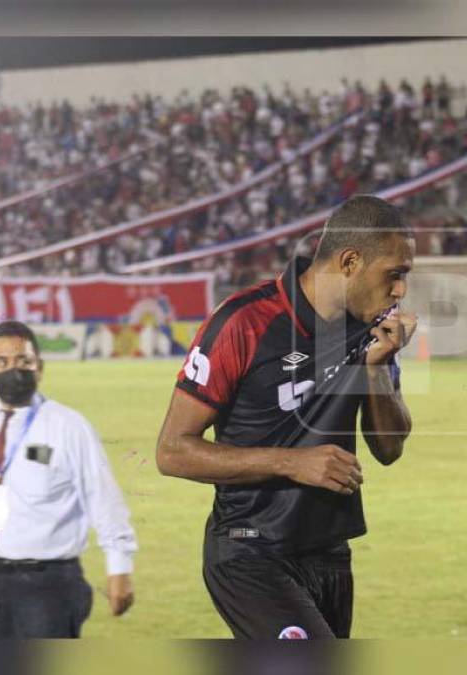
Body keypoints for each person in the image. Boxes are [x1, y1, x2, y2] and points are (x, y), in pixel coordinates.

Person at [156, 195, 416, 639]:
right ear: (351, 261)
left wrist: (375, 368)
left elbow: (390, 447)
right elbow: (172, 451)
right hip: (250, 550)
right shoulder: (245, 322)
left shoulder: (372, 328)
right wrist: (291, 461)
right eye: (395, 274)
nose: (400, 291)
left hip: (328, 552)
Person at [0, 321, 136, 638]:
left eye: (24, 361)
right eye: (2, 362)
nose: (13, 370)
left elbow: (102, 497)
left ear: (40, 368)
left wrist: (119, 567)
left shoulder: (68, 427)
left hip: (47, 586)